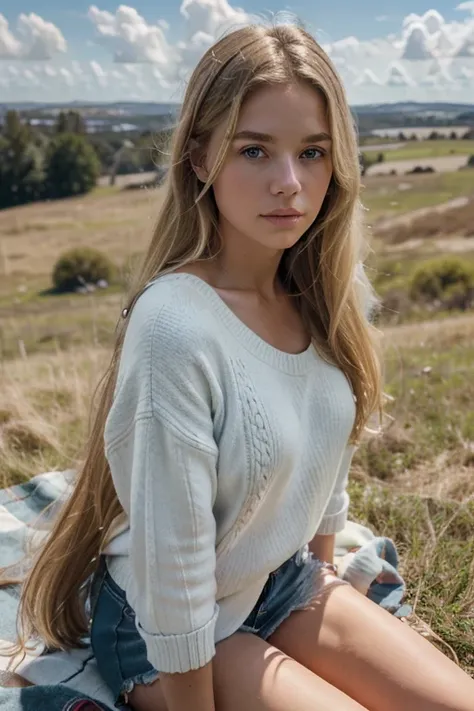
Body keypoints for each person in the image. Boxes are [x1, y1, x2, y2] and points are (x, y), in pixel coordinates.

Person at [10, 21, 474, 711]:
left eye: (312, 152)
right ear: (200, 158)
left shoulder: (332, 292)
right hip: (162, 628)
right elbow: (172, 569)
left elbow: (329, 457)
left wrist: (320, 583)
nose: (289, 183)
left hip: (282, 580)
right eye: (254, 149)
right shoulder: (176, 325)